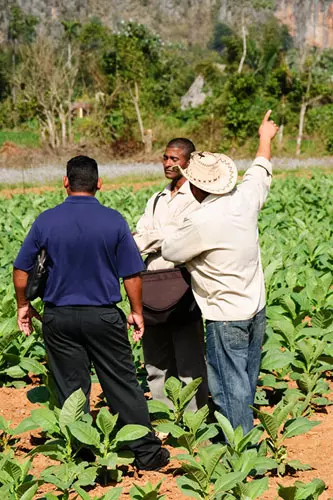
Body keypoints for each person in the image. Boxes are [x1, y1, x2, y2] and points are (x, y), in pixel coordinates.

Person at [13, 155, 169, 470]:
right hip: (103, 316)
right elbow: (132, 274)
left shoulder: (46, 220)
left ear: (65, 183)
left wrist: (23, 305)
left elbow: (21, 268)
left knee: (71, 387)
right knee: (121, 382)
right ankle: (148, 455)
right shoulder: (113, 220)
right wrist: (136, 311)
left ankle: (81, 456)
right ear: (99, 184)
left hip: (59, 317)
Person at [161, 111, 279, 434]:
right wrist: (265, 137)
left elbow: (170, 250)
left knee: (230, 389)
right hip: (256, 309)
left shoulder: (200, 222)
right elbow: (260, 170)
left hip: (225, 317)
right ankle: (247, 440)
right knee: (246, 382)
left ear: (195, 187)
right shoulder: (244, 199)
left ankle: (243, 457)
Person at [134, 138, 208, 411]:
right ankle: (165, 416)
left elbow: (182, 237)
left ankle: (194, 419)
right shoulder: (156, 199)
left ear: (189, 162)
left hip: (183, 284)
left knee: (190, 357)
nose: (168, 164)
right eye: (165, 158)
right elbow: (143, 232)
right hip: (152, 286)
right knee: (156, 359)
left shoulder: (199, 196)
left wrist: (147, 240)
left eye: (174, 159)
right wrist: (156, 238)